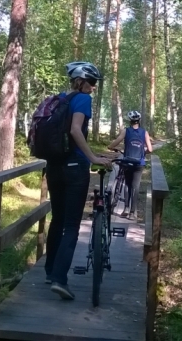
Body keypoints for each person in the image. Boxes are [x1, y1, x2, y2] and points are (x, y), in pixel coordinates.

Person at [46, 61, 111, 300]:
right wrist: (93, 157)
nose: (94, 87)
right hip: (75, 169)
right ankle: (60, 280)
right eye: (92, 82)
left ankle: (49, 270)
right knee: (72, 225)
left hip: (54, 167)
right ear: (81, 81)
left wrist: (92, 152)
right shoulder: (82, 99)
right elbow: (75, 131)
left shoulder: (61, 98)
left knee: (57, 220)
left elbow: (70, 136)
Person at [107, 110, 153, 219]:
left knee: (127, 185)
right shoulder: (144, 132)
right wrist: (143, 152)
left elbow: (114, 143)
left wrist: (111, 147)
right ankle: (132, 213)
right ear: (139, 120)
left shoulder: (126, 131)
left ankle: (126, 208)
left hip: (127, 162)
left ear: (130, 121)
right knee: (135, 187)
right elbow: (150, 149)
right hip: (139, 163)